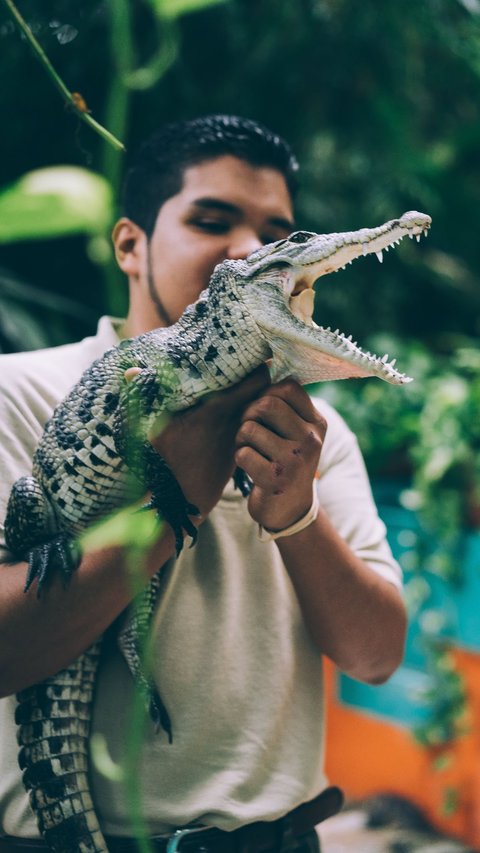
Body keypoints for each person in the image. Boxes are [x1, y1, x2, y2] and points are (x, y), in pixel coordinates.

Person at [0, 115, 406, 852]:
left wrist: (297, 511)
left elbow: (377, 657)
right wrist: (170, 503)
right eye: (211, 219)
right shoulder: (18, 391)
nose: (249, 249)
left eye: (277, 233)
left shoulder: (320, 432)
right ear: (130, 242)